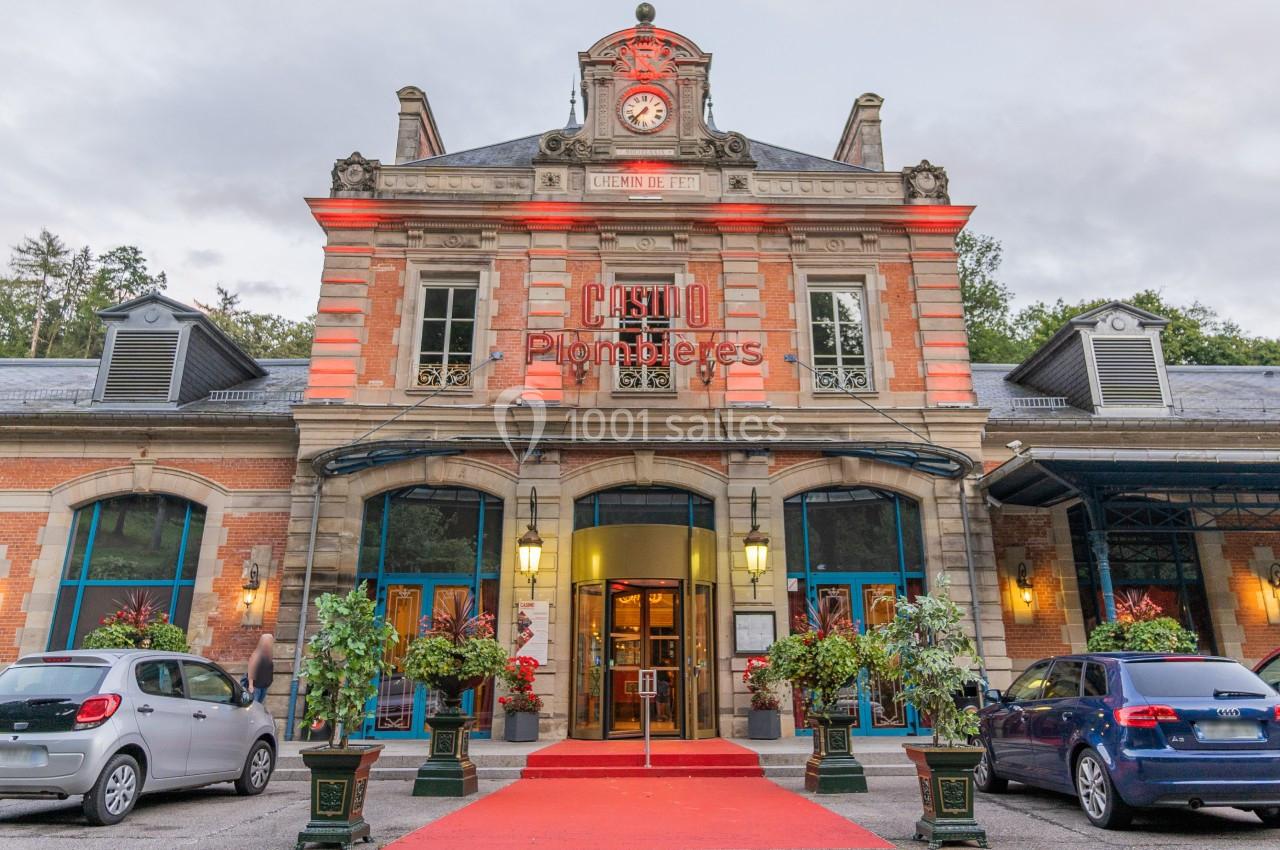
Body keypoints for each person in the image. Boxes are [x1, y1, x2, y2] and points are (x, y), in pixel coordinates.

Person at [246, 633, 274, 704]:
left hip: (264, 685)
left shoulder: (268, 654)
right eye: (269, 641)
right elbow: (251, 669)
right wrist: (251, 685)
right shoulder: (257, 654)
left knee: (259, 704)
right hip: (256, 686)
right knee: (254, 705)